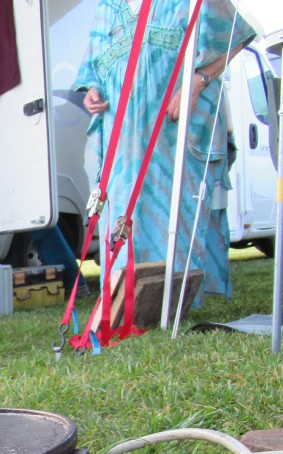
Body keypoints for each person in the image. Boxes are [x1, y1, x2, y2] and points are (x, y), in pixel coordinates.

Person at [75, 0, 256, 298]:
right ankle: (126, 296)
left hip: (171, 132)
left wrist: (198, 83)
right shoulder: (108, 4)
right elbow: (94, 63)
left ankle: (176, 294)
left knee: (171, 209)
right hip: (122, 138)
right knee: (123, 210)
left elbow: (236, 34)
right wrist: (92, 89)